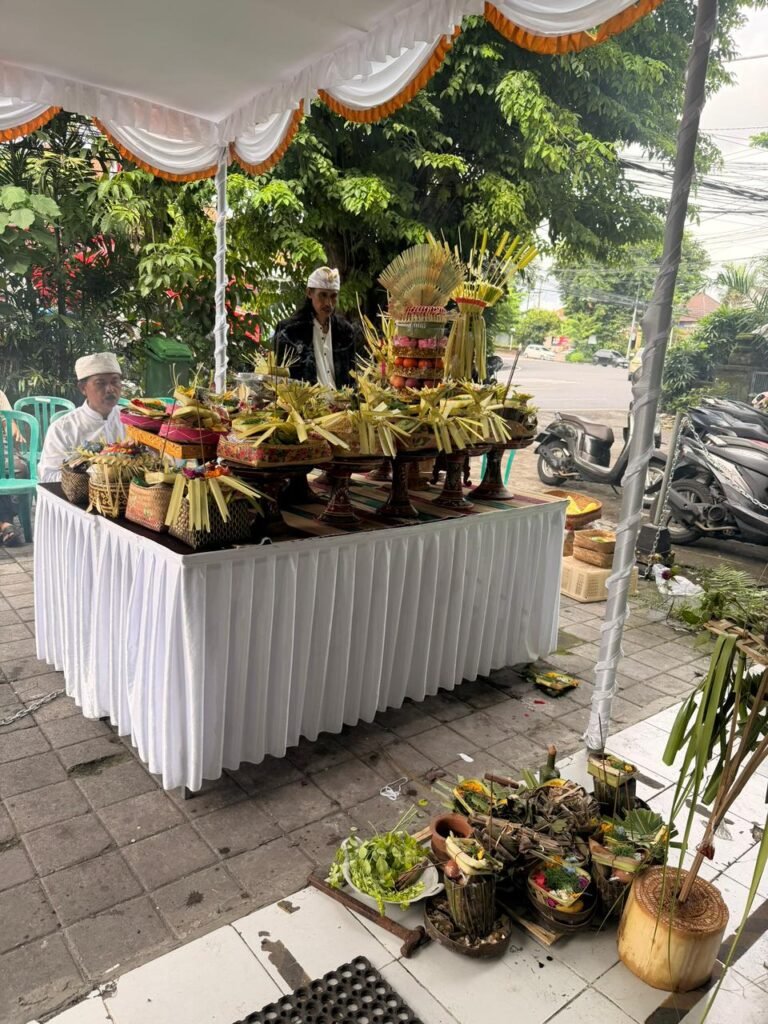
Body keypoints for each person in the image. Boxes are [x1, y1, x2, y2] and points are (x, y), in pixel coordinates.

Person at [38, 353, 125, 483]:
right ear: (83, 388)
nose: (110, 389)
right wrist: (92, 476)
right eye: (100, 383)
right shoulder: (63, 428)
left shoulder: (133, 422)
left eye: (115, 381)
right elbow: (48, 476)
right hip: (79, 501)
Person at [273, 267, 358, 388]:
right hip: (304, 404)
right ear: (309, 293)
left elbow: (352, 377)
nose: (328, 303)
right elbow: (280, 379)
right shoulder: (289, 330)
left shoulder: (345, 332)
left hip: (342, 404)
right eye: (322, 295)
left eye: (333, 296)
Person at [0, 387, 27, 546]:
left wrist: (14, 429)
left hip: (2, 450)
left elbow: (7, 421)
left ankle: (4, 525)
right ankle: (6, 525)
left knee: (20, 468)